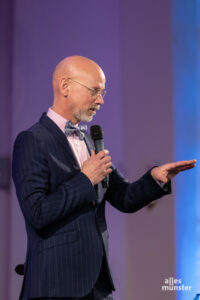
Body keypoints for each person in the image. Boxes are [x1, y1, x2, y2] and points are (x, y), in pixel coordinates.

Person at [12, 55, 196, 300]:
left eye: (103, 93)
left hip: (97, 285)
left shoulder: (90, 141)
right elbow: (37, 213)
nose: (100, 100)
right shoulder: (32, 140)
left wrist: (155, 178)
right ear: (65, 86)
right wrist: (85, 179)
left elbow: (123, 197)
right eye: (94, 91)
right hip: (55, 286)